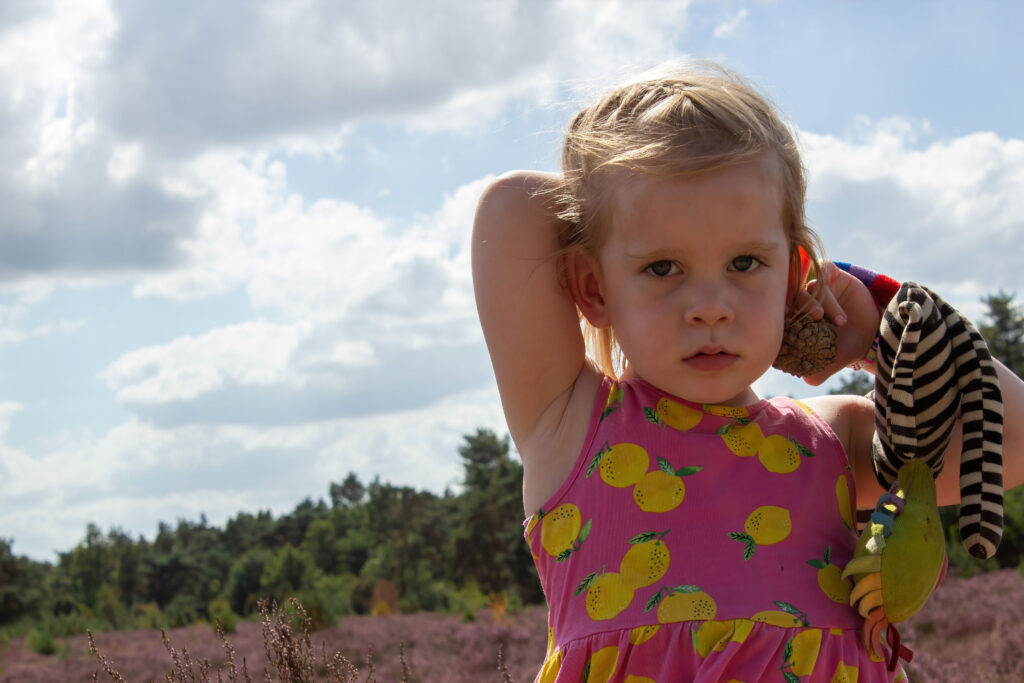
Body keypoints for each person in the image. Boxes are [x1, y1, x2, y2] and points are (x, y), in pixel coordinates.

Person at [471, 61, 1024, 682]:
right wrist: (617, 188)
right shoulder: (572, 425)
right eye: (662, 267)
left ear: (794, 277)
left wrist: (877, 320)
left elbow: (1012, 443)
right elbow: (511, 209)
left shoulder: (832, 442)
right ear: (593, 288)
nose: (710, 306)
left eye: (744, 261)